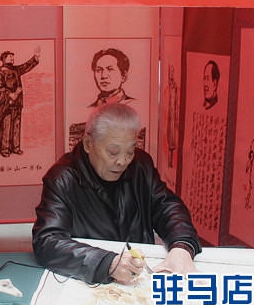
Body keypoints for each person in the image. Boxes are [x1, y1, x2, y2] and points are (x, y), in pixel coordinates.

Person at [32, 102, 200, 284]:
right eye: (113, 152)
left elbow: (167, 207)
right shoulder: (62, 179)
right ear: (88, 144)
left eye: (130, 151)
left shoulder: (140, 166)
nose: (123, 161)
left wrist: (182, 246)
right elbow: (48, 241)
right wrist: (106, 263)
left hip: (139, 277)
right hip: (91, 282)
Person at [0, 47, 40, 157]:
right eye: (10, 57)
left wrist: (35, 57)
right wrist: (10, 94)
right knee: (6, 125)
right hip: (6, 102)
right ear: (4, 59)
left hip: (17, 103)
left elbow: (26, 66)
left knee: (16, 125)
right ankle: (4, 149)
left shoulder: (16, 69)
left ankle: (15, 147)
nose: (12, 59)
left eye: (13, 57)